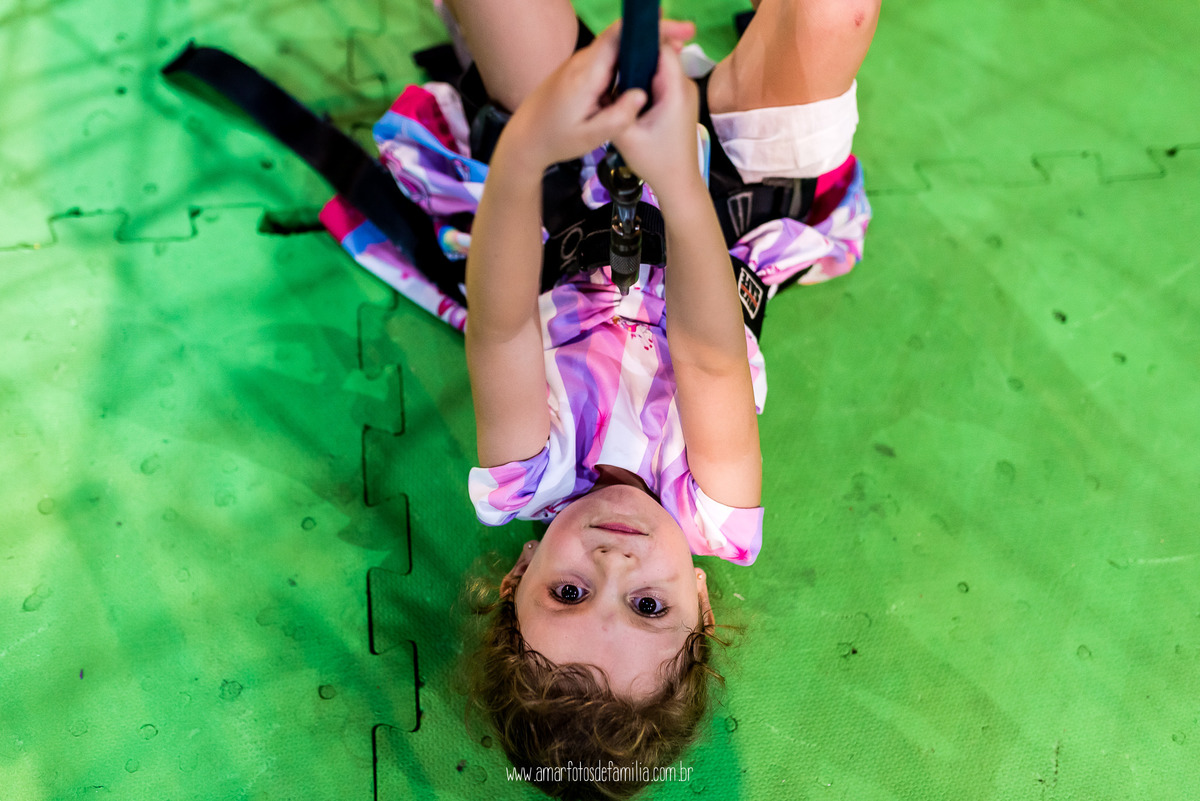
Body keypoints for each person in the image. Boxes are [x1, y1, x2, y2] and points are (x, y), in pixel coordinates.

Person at [320, 1, 878, 796]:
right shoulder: (716, 512)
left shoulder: (527, 476)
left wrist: (527, 146)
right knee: (838, 16)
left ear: (517, 576)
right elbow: (708, 356)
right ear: (701, 606)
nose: (614, 562)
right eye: (648, 605)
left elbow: (502, 329)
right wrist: (676, 173)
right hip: (727, 194)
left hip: (566, 183)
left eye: (570, 593)